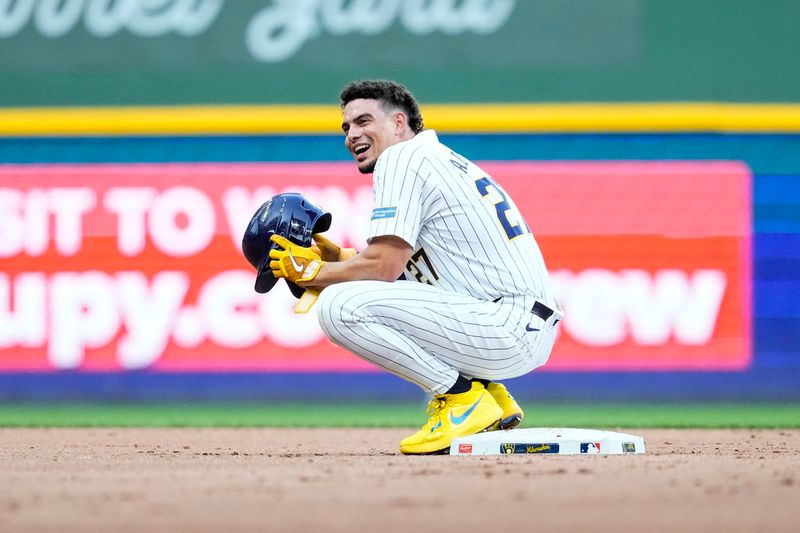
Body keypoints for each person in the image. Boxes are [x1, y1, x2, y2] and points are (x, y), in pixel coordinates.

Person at [267, 79, 562, 455]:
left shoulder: (401, 158)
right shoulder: (437, 159)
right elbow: (410, 272)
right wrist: (338, 260)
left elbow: (385, 267)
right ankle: (490, 396)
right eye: (346, 127)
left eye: (363, 121)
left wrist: (313, 274)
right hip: (516, 324)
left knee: (338, 306)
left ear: (398, 122)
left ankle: (463, 399)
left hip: (505, 324)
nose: (351, 135)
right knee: (374, 293)